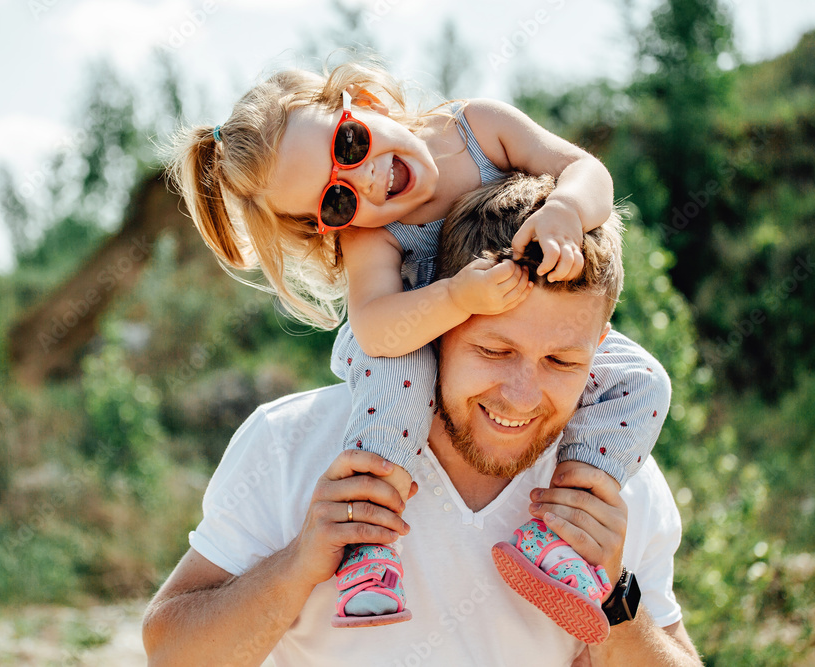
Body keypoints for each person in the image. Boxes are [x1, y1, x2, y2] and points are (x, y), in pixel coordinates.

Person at [167, 59, 670, 636]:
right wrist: (457, 297)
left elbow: (586, 170)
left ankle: (567, 531)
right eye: (336, 200)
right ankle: (368, 547)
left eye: (351, 144)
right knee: (402, 381)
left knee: (644, 381)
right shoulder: (372, 233)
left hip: (521, 327)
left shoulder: (477, 129)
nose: (366, 181)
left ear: (364, 101)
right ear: (328, 225)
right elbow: (380, 327)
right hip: (405, 340)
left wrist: (566, 208)